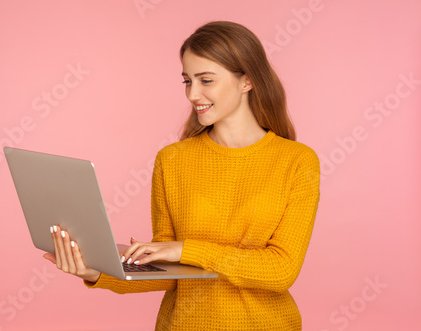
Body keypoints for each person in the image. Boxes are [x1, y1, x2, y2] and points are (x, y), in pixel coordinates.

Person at [43, 21, 320, 331]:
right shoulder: (172, 160)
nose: (193, 94)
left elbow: (282, 270)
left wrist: (185, 249)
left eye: (206, 80)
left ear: (247, 81)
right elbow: (170, 272)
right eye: (188, 81)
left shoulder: (297, 161)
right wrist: (95, 271)